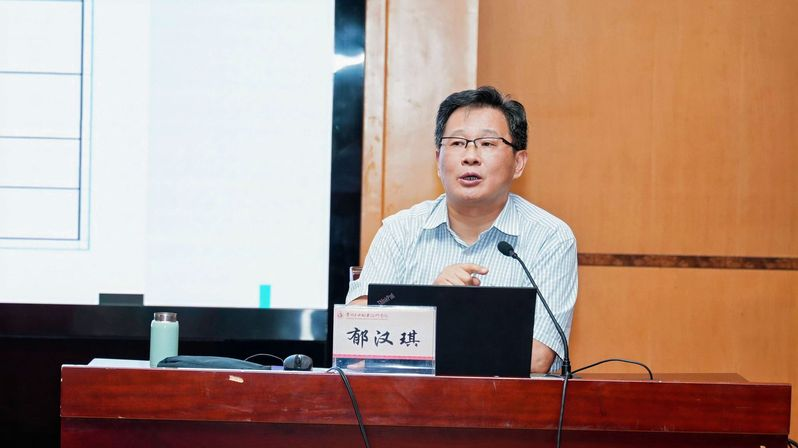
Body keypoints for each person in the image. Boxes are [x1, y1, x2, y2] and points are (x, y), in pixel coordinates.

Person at [346, 86, 578, 374]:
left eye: (487, 143)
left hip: (507, 401)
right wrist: (430, 305)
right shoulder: (399, 231)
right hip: (409, 400)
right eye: (456, 143)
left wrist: (442, 324)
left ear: (518, 163)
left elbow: (537, 357)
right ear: (438, 161)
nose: (470, 156)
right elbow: (357, 337)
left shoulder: (550, 238)